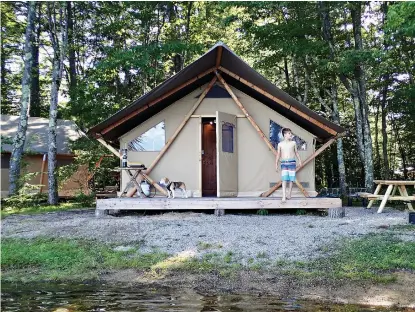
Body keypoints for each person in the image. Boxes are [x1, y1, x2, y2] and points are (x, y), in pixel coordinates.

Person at [275, 128, 302, 202]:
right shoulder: (280, 144)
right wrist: (276, 164)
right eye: (289, 133)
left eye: (291, 133)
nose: (291, 134)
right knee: (284, 179)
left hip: (292, 162)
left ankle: (289, 193)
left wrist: (300, 161)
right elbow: (278, 154)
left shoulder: (293, 143)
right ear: (285, 135)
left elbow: (296, 152)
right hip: (284, 163)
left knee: (291, 179)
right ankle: (283, 196)